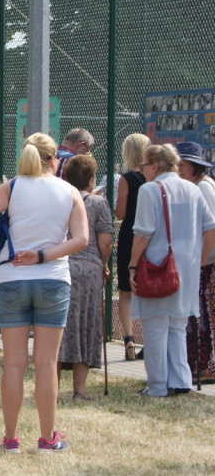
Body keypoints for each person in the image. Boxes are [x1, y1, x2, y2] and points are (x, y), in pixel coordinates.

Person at [0, 133, 88, 453]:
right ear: (55, 160)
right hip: (53, 278)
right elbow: (81, 239)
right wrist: (43, 256)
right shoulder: (69, 191)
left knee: (13, 364)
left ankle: (10, 439)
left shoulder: (12, 187)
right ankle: (47, 438)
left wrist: (6, 235)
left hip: (11, 277)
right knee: (46, 363)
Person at [130, 144, 215, 396]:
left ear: (155, 166)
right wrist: (199, 260)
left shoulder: (150, 189)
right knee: (178, 325)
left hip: (158, 266)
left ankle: (158, 386)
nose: (143, 170)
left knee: (155, 326)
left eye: (144, 165)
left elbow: (143, 233)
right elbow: (209, 227)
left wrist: (132, 264)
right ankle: (180, 380)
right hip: (186, 267)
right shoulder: (192, 188)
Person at [57, 155, 113, 400]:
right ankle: (79, 389)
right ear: (91, 180)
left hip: (59, 265)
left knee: (56, 325)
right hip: (89, 267)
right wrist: (105, 263)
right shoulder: (99, 203)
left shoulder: (58, 198)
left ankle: (52, 387)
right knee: (87, 323)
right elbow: (105, 240)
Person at [176, 141, 215, 383]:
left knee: (208, 318)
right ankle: (198, 365)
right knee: (198, 317)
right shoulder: (192, 187)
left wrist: (201, 262)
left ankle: (209, 366)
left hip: (209, 265)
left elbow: (211, 229)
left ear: (195, 166)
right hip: (199, 264)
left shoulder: (204, 187)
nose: (179, 169)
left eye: (184, 164)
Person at [115, 133, 150, 359]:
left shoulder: (126, 179)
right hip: (150, 235)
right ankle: (150, 339)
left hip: (130, 233)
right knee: (149, 289)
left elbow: (120, 213)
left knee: (125, 291)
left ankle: (128, 339)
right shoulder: (154, 179)